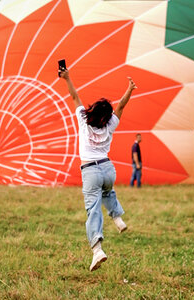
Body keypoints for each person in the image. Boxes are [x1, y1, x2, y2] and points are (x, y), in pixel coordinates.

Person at [59, 68, 137, 271]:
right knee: (108, 191)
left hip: (90, 171)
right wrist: (130, 88)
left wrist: (67, 77)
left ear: (92, 109)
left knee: (93, 209)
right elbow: (121, 106)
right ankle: (118, 218)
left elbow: (74, 96)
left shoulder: (83, 121)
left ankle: (97, 250)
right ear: (107, 117)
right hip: (108, 168)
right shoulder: (109, 125)